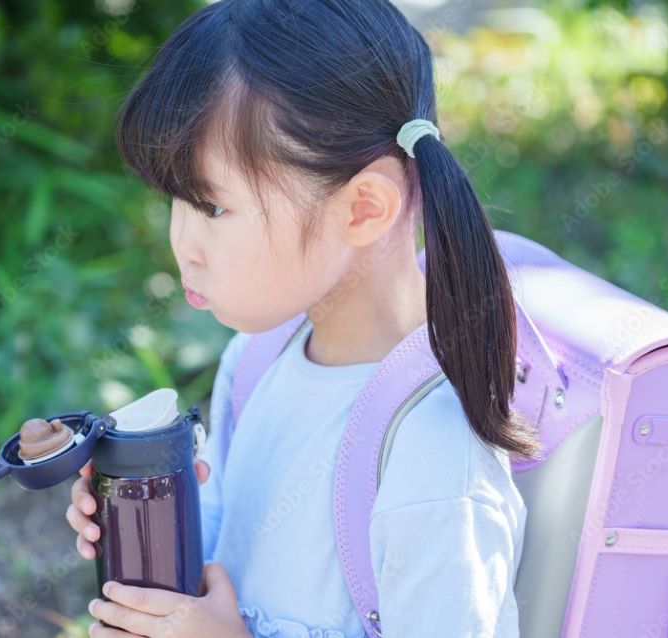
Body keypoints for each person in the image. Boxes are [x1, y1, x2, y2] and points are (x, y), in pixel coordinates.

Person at [65, 0, 541, 635]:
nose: (182, 243)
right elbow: (226, 547)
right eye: (175, 200)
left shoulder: (435, 458)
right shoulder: (261, 356)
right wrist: (149, 522)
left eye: (211, 207)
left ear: (364, 209)